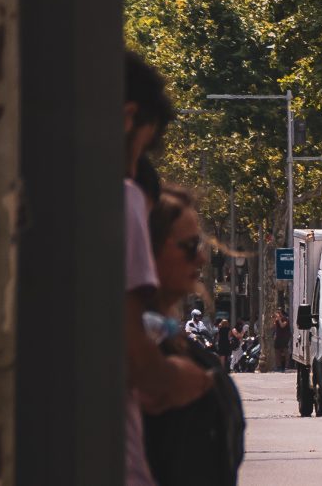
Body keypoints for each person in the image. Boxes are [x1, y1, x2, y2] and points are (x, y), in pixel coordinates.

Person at [125, 52, 213, 486]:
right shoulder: (122, 198)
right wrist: (179, 378)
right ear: (127, 120)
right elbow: (132, 353)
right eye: (190, 246)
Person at [144, 186, 246, 486]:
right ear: (146, 250)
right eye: (189, 246)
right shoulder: (141, 359)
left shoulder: (173, 344)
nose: (201, 258)